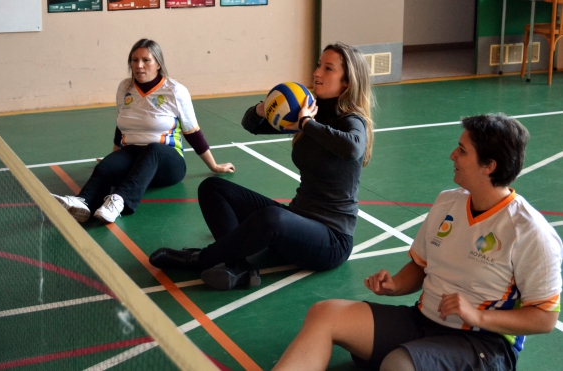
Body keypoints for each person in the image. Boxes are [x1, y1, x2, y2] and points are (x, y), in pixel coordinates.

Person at [272, 114, 562, 371]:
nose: (452, 155)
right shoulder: (448, 202)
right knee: (325, 314)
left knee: (398, 365)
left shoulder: (530, 232)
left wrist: (478, 316)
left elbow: (544, 319)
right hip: (423, 321)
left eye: (462, 150)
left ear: (489, 166)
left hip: (483, 344)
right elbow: (421, 267)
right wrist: (395, 285)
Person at [149, 42, 375, 291]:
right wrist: (267, 105)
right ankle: (236, 265)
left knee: (272, 218)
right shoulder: (309, 110)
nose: (317, 72)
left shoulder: (352, 121)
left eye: (328, 68)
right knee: (213, 188)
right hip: (296, 222)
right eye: (319, 65)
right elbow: (251, 124)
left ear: (347, 82)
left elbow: (353, 147)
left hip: (331, 241)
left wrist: (307, 123)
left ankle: (200, 259)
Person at [53, 39, 234, 224]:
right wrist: (114, 157)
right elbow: (121, 125)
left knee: (154, 150)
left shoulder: (175, 91)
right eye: (134, 60)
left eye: (146, 60)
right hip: (134, 157)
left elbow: (192, 132)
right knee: (105, 167)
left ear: (158, 64)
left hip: (167, 162)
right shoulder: (125, 87)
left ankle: (119, 201)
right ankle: (83, 204)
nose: (139, 66)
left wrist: (213, 165)